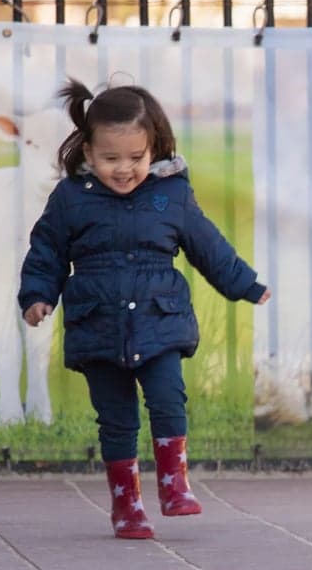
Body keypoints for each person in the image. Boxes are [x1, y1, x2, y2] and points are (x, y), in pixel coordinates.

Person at [18, 78, 270, 540]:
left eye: (136, 158)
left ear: (153, 148)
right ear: (88, 153)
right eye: (111, 159)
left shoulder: (171, 195)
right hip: (98, 325)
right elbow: (46, 250)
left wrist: (244, 284)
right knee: (117, 418)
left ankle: (174, 484)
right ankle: (126, 505)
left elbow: (207, 245)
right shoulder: (71, 199)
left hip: (159, 321)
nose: (124, 169)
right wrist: (37, 295)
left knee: (168, 398)